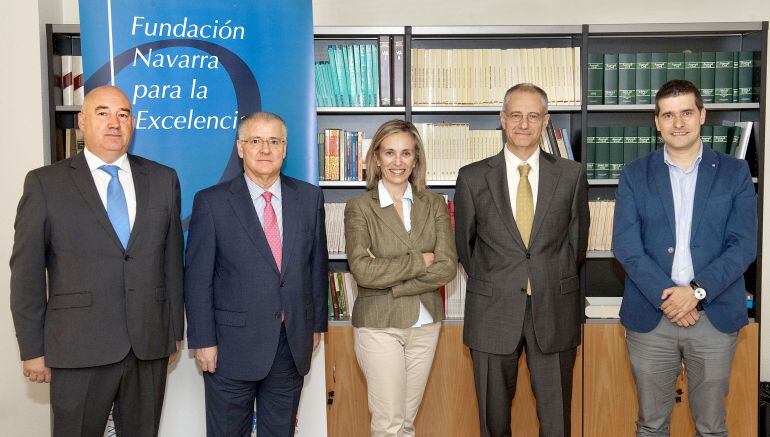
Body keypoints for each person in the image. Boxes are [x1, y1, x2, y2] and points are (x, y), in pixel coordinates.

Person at [10, 85, 184, 437]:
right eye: (103, 113)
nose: (114, 123)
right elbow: (26, 274)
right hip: (77, 347)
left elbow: (171, 263)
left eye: (123, 114)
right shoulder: (45, 183)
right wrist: (32, 349)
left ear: (132, 124)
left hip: (146, 345)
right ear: (83, 121)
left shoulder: (163, 180)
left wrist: (172, 333)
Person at [613, 79, 757, 436]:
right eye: (669, 115)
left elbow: (742, 246)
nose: (678, 123)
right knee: (651, 424)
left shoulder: (735, 173)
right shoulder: (634, 174)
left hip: (714, 315)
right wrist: (670, 297)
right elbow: (627, 246)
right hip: (651, 316)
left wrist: (694, 292)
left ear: (702, 115)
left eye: (687, 113)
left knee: (711, 426)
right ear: (657, 122)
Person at [454, 83, 589, 437]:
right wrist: (500, 280)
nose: (524, 124)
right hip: (492, 312)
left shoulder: (571, 175)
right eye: (516, 115)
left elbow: (577, 244)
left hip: (554, 311)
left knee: (557, 422)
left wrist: (545, 276)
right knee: (493, 423)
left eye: (533, 116)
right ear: (502, 120)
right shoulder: (472, 177)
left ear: (546, 121)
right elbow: (465, 246)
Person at [184, 112, 328, 437]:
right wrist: (203, 340)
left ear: (285, 148)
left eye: (274, 141)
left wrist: (316, 324)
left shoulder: (308, 198)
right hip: (230, 348)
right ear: (240, 148)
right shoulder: (212, 202)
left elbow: (315, 267)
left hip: (290, 345)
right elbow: (198, 280)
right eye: (255, 141)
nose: (265, 149)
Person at [344, 119, 457, 437]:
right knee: (389, 423)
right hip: (379, 326)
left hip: (425, 324)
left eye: (406, 153)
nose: (398, 162)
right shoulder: (359, 208)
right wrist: (421, 259)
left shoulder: (434, 204)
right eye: (390, 153)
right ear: (376, 157)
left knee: (405, 422)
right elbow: (363, 271)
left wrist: (389, 280)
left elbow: (447, 267)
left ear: (416, 158)